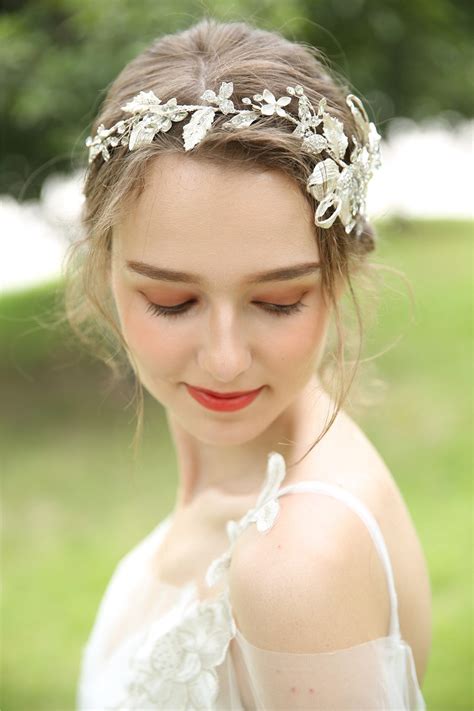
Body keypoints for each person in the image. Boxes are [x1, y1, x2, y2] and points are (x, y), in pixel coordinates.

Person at [69, 17, 431, 710]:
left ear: (339, 279)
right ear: (103, 269)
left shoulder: (296, 567)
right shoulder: (250, 460)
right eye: (173, 301)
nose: (227, 360)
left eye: (278, 300)